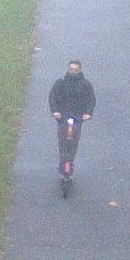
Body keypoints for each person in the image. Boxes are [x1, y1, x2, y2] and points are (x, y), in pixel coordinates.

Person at [48, 60, 95, 188]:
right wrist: (55, 111)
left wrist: (87, 113)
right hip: (63, 116)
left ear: (79, 70)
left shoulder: (85, 85)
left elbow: (91, 99)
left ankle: (70, 163)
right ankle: (63, 164)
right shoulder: (61, 83)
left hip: (77, 117)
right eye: (70, 69)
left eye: (75, 69)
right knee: (63, 140)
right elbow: (53, 96)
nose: (72, 71)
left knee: (73, 141)